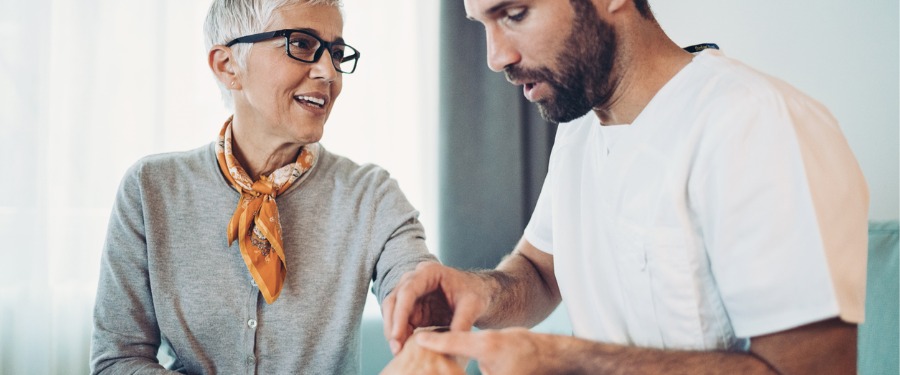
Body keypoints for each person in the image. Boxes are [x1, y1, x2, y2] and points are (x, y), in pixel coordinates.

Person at [381, 0, 869, 373]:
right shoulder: (578, 132)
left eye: (513, 13)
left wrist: (566, 361)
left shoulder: (757, 124)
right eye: (482, 25)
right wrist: (477, 291)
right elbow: (538, 271)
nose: (495, 58)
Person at [90, 0, 446, 373]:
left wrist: (427, 321)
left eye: (337, 53)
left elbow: (420, 292)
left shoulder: (372, 196)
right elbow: (118, 360)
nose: (329, 72)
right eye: (302, 44)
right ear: (228, 67)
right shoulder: (150, 190)